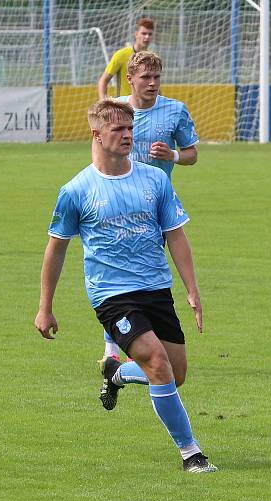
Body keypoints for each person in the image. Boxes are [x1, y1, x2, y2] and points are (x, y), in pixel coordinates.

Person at [34, 99, 217, 473]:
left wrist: (192, 289)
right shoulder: (77, 190)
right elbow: (56, 249)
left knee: (175, 375)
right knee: (157, 362)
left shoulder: (154, 179)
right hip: (112, 295)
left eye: (130, 129)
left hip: (156, 288)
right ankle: (191, 453)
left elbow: (176, 236)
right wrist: (45, 306)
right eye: (118, 130)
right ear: (97, 135)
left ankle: (117, 374)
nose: (127, 136)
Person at [98, 50, 199, 362]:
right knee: (118, 270)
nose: (153, 83)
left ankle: (131, 342)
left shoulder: (175, 111)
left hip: (156, 205)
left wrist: (173, 156)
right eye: (146, 77)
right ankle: (113, 349)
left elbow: (192, 153)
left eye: (157, 77)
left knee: (144, 273)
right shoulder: (114, 110)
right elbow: (100, 152)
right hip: (117, 203)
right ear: (130, 79)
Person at [97, 18, 155, 99]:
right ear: (136, 34)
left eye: (150, 34)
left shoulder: (152, 58)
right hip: (125, 107)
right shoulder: (121, 55)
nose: (147, 37)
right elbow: (103, 80)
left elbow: (155, 83)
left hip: (145, 107)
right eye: (144, 33)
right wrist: (102, 101)